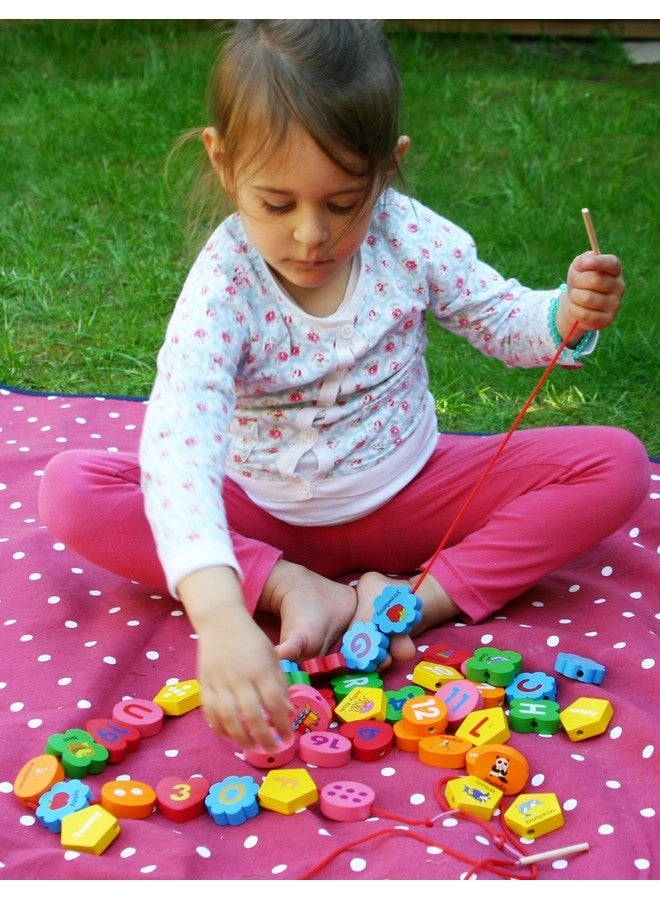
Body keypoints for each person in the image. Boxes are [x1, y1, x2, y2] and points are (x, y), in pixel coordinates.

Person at [39, 20, 649, 753]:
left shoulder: (409, 236)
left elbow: (499, 320)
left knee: (614, 462)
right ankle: (293, 585)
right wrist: (225, 612)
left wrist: (564, 314)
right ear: (223, 162)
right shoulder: (223, 289)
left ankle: (404, 605)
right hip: (262, 517)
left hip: (413, 495)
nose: (310, 235)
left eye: (342, 203)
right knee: (71, 489)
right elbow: (179, 449)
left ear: (387, 171)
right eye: (277, 204)